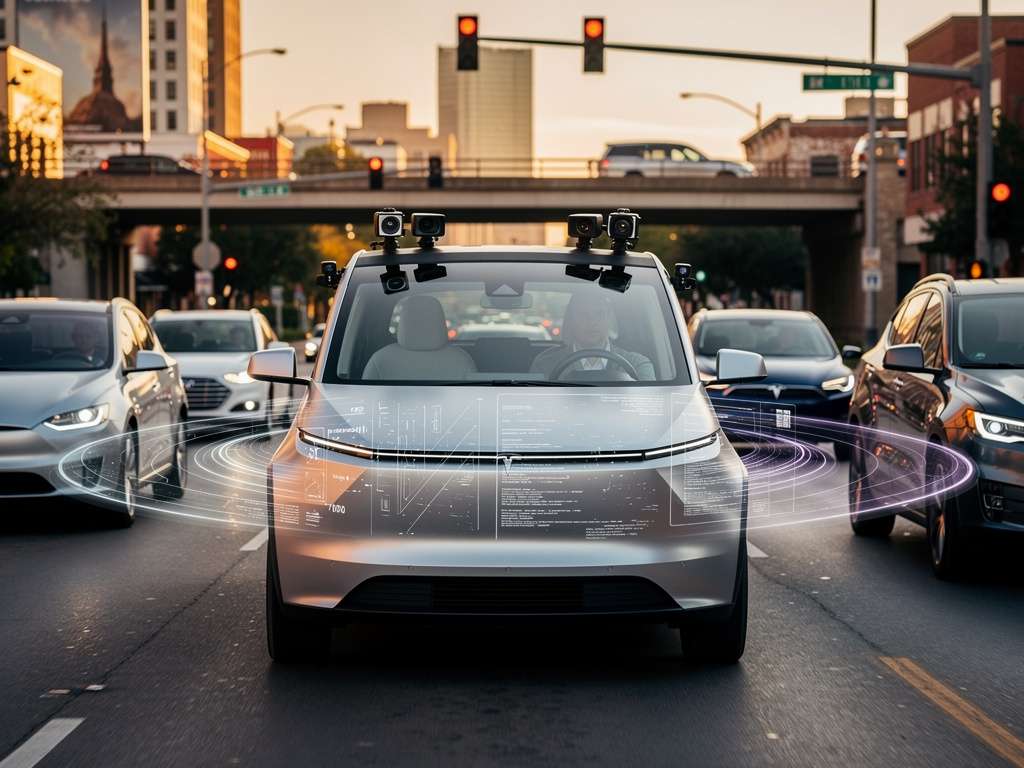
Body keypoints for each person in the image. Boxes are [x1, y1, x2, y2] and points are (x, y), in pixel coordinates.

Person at [530, 293, 655, 380]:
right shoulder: (544, 367)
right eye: (583, 315)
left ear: (609, 318)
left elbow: (648, 410)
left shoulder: (637, 365)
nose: (591, 322)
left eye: (599, 314)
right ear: (570, 320)